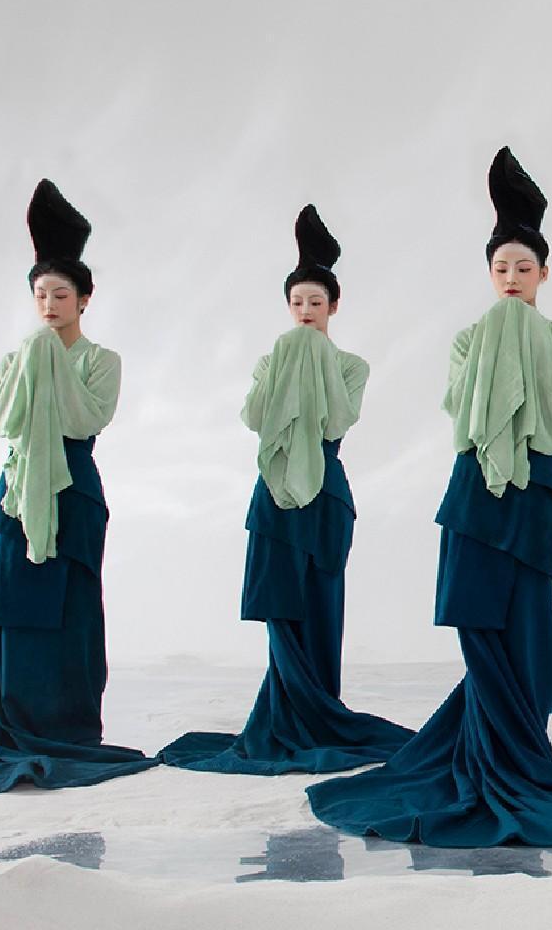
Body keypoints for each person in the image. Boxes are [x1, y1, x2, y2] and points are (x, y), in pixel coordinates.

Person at [307, 148, 552, 846]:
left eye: (524, 268)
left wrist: (522, 333)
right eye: (501, 269)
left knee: (528, 632)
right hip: (475, 491)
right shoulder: (470, 337)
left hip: (535, 492)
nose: (512, 279)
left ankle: (518, 751)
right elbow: (462, 415)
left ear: (545, 274)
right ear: (489, 274)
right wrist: (502, 332)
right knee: (479, 624)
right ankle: (487, 754)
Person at [0, 179, 157, 792]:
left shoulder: (101, 361)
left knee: (70, 614)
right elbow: (4, 420)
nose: (49, 304)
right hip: (16, 491)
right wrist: (35, 357)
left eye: (61, 294)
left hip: (73, 491)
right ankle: (13, 722)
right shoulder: (17, 357)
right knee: (8, 605)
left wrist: (47, 359)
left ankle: (65, 726)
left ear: (84, 300)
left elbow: (84, 419)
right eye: (40, 294)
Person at [160, 205, 412, 774]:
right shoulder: (271, 359)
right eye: (297, 303)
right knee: (280, 605)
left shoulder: (351, 365)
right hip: (274, 494)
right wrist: (284, 363)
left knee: (321, 608)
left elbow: (336, 422)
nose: (305, 312)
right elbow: (255, 418)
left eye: (315, 303)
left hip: (325, 492)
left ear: (334, 307)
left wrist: (314, 356)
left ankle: (320, 710)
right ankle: (285, 711)